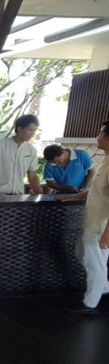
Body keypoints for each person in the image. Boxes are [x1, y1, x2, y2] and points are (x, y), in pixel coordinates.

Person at [56, 120, 109, 315]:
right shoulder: (105, 161)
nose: (97, 137)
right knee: (82, 253)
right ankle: (104, 288)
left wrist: (107, 233)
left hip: (101, 225)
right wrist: (72, 197)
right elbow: (95, 192)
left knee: (95, 262)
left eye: (101, 134)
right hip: (91, 221)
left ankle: (90, 304)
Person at [0, 114, 43, 195]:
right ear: (19, 129)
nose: (32, 133)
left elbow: (32, 175)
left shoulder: (32, 150)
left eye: (34, 131)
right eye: (30, 130)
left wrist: (40, 194)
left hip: (19, 195)